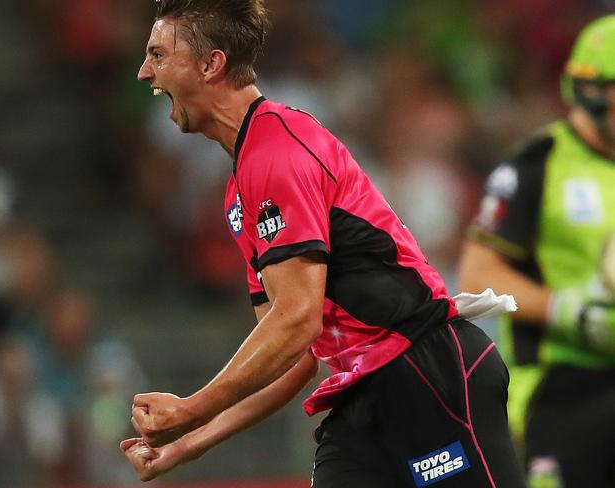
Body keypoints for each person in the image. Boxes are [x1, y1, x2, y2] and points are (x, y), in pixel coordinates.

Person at [121, 1, 526, 486]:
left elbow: (297, 318)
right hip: (359, 394)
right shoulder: (242, 186)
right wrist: (189, 442)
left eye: (159, 54)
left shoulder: (278, 150)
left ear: (211, 64)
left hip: (426, 370)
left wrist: (191, 409)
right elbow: (291, 355)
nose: (146, 72)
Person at [459, 14, 615, 488]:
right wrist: (570, 312)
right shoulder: (536, 166)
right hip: (559, 388)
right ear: (594, 91)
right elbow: (476, 274)